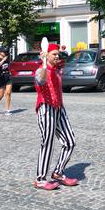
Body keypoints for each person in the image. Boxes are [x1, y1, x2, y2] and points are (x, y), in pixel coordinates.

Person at [33, 44, 78, 190]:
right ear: (47, 55)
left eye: (57, 54)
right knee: (48, 142)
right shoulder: (41, 69)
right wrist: (45, 62)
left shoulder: (58, 69)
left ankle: (58, 172)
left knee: (70, 141)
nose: (57, 56)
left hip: (59, 108)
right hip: (46, 108)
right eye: (54, 54)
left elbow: (67, 59)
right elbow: (41, 80)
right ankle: (40, 179)